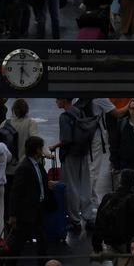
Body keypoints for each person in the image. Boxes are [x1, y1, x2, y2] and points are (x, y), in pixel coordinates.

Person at [3, 136, 54, 266]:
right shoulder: (24, 168)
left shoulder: (38, 165)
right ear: (37, 149)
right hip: (25, 214)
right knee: (18, 245)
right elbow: (15, 193)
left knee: (42, 244)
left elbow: (40, 182)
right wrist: (13, 215)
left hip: (37, 211)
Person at [49, 97, 95, 231]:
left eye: (57, 99)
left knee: (72, 187)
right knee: (85, 185)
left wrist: (54, 146)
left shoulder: (64, 116)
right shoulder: (80, 112)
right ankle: (88, 216)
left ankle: (75, 220)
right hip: (83, 152)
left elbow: (66, 139)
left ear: (64, 100)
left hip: (70, 155)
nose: (56, 101)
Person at [75, 96, 119, 223]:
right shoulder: (100, 97)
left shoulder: (80, 97)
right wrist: (131, 103)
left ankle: (93, 200)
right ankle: (87, 207)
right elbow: (117, 114)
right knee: (93, 171)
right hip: (95, 137)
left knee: (88, 169)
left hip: (84, 136)